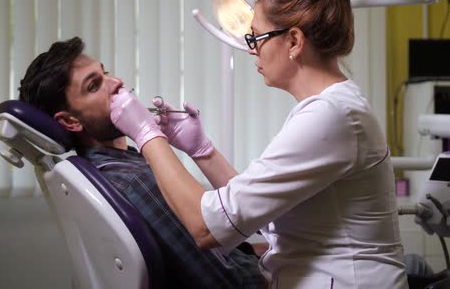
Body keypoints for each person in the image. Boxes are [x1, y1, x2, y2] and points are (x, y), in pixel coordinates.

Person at [109, 0, 409, 288]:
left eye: (256, 39)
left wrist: (146, 134)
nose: (253, 51)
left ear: (294, 41)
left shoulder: (330, 117)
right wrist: (202, 150)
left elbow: (205, 227)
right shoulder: (327, 109)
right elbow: (261, 213)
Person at [18, 37, 266, 288]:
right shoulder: (132, 181)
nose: (117, 83)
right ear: (71, 122)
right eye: (94, 85)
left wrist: (202, 150)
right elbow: (228, 283)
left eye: (106, 73)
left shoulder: (118, 167)